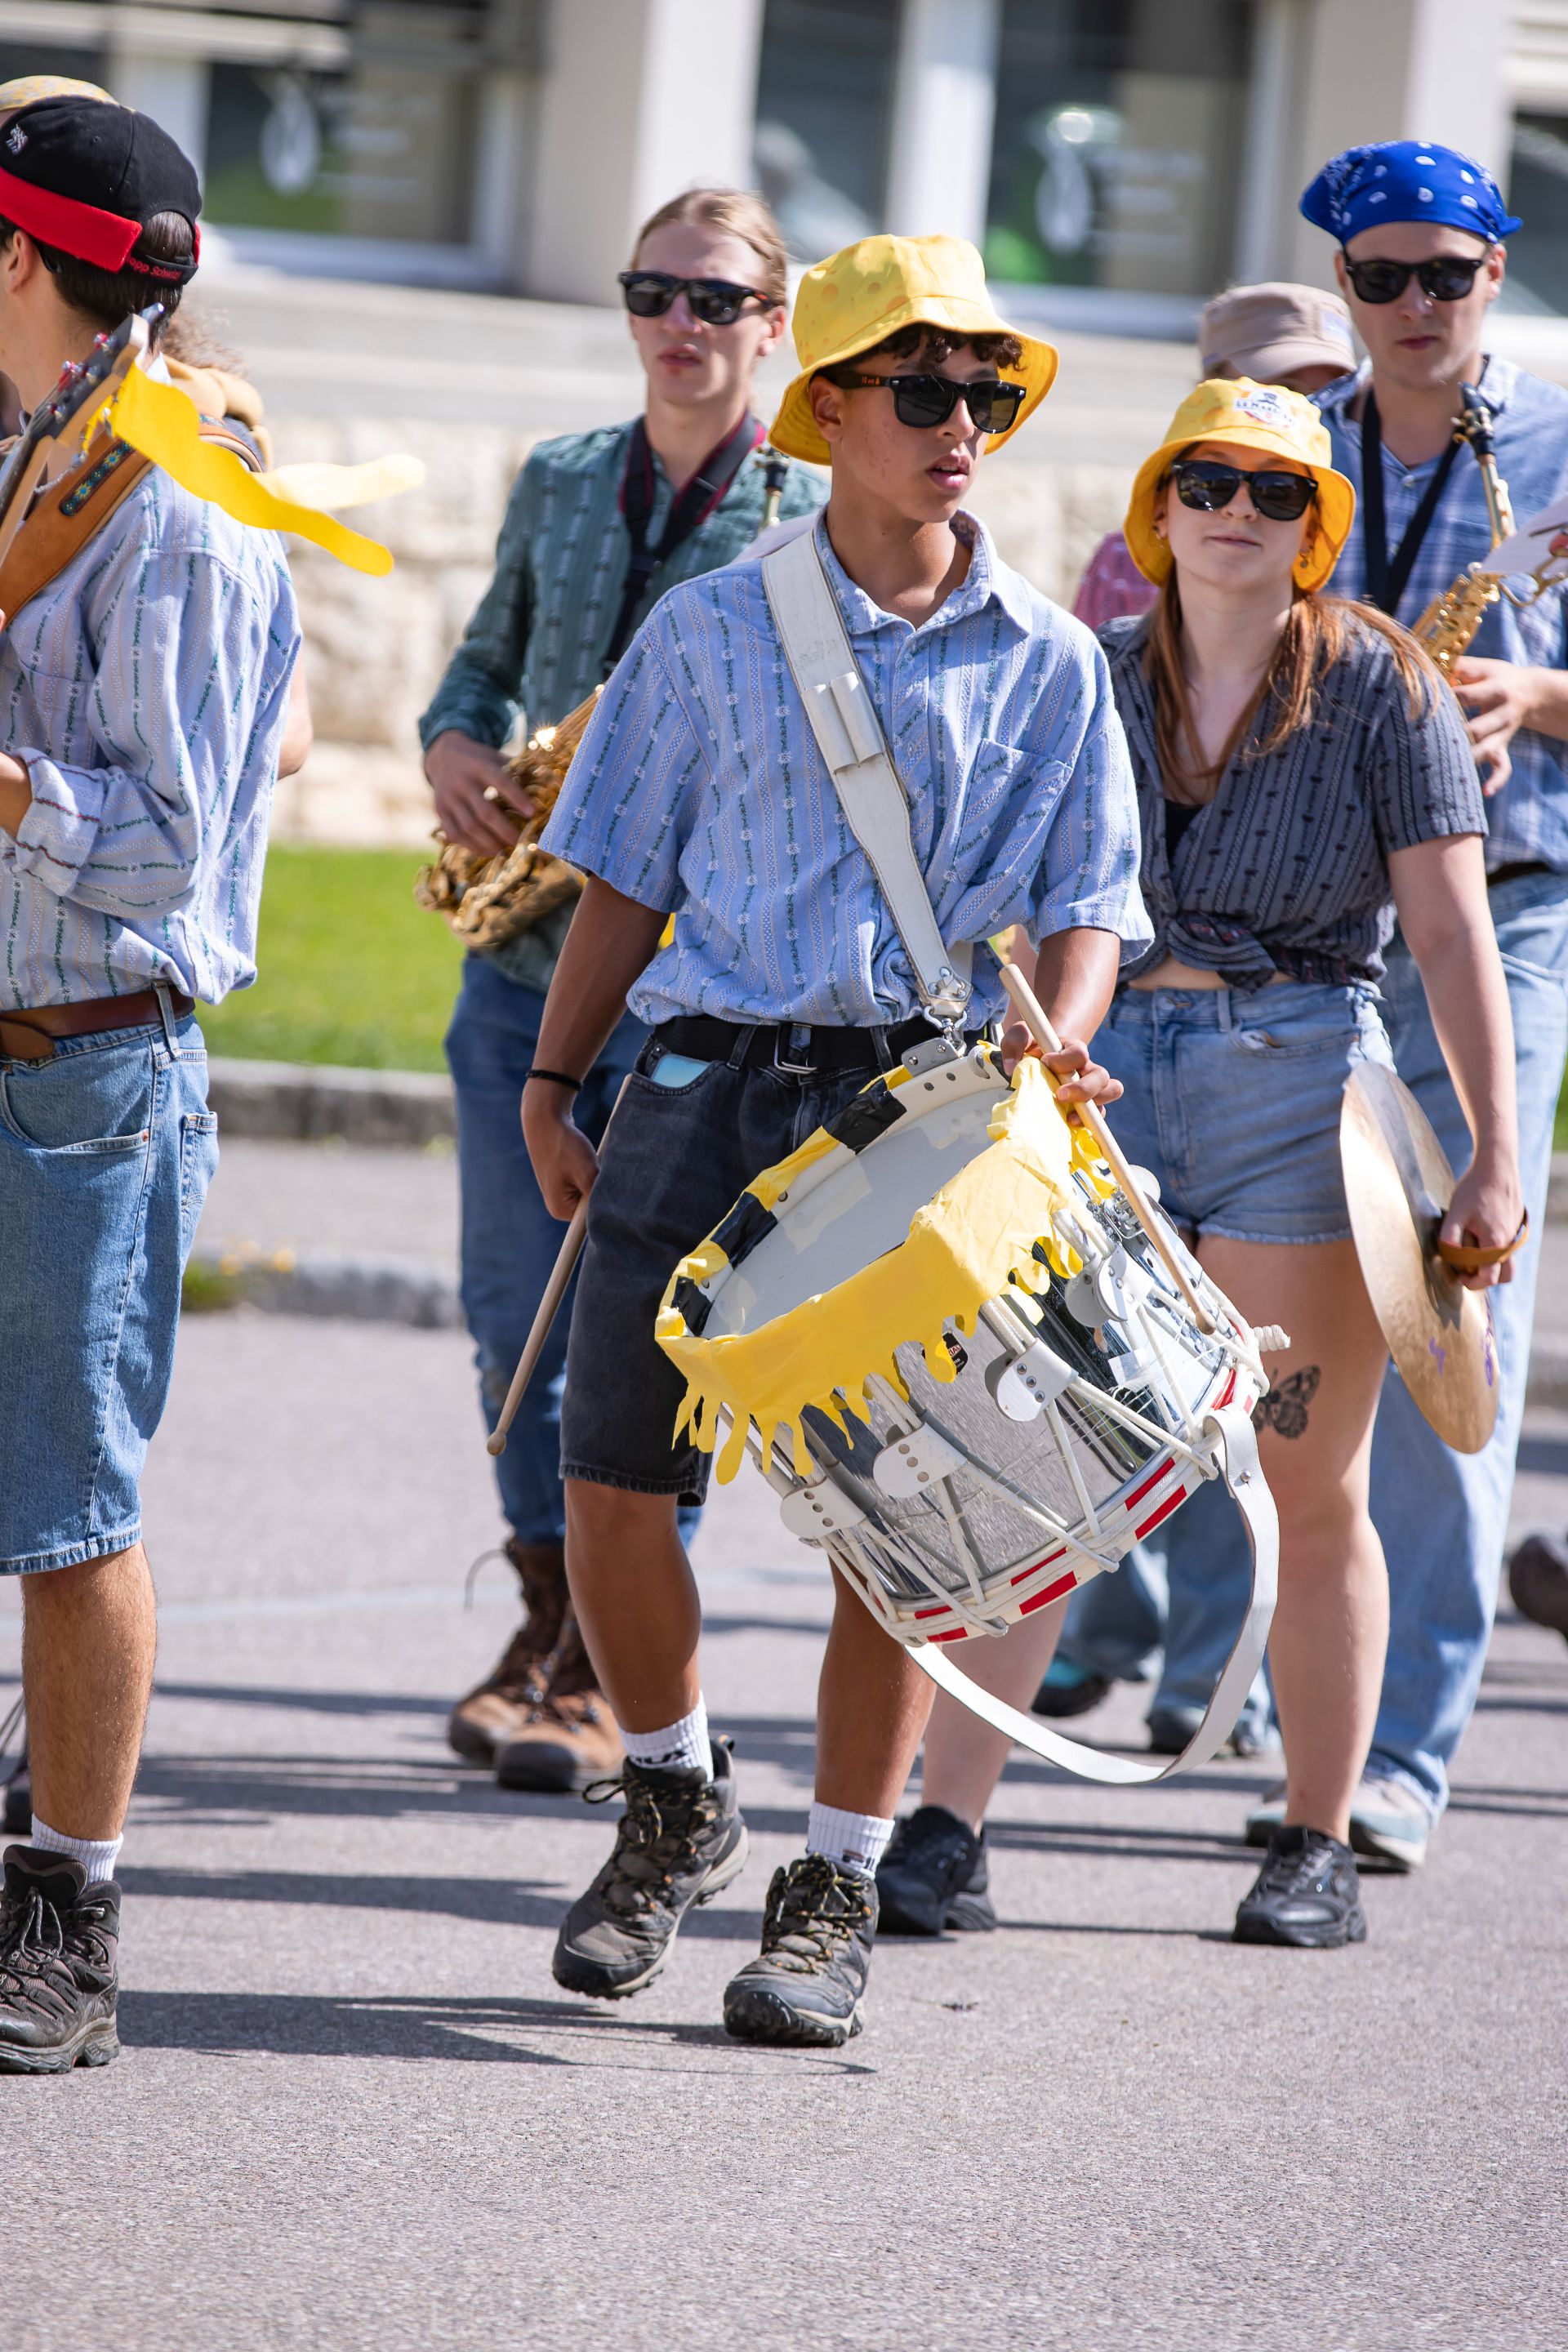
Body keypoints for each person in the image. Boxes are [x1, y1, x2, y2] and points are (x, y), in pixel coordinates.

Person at [523, 232, 1149, 2045]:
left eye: (989, 397)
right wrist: (554, 1084)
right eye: (926, 390)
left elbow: (1091, 902)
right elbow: (622, 879)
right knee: (610, 1484)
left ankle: (837, 1885)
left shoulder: (1050, 657)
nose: (964, 427)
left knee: (902, 1520)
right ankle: (673, 1795)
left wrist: (1064, 1042)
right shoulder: (709, 628)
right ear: (833, 409)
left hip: (918, 1107)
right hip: (698, 1084)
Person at [880, 376, 1521, 1953]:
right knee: (1046, 1472)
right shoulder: (1089, 671)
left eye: (1279, 491)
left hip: (1296, 1089)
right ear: (1159, 509)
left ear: (1316, 530)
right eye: (1210, 482)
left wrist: (1500, 1154)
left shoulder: (1382, 686)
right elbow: (1013, 901)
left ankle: (1316, 1839)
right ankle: (947, 1830)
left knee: (1305, 1485)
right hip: (1102, 1095)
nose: (1241, 510)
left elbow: (1452, 933)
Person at [1166, 141, 1568, 1877]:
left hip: (1508, 912)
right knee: (1244, 1335)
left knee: (1450, 1319)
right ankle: (1238, 1675)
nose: (1416, 307)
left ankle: (1402, 1757)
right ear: (1342, 287)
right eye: (1382, 278)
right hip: (1308, 942)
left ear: (1497, 274)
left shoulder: (1559, 445)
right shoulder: (1286, 452)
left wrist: (1535, 695)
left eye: (1447, 276)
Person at [418, 190, 822, 1798]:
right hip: (522, 968)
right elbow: (481, 663)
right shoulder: (563, 477)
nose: (680, 323)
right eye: (654, 291)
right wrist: (456, 746)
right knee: (505, 1318)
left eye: (716, 299)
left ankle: (609, 1664)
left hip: (689, 997)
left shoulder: (809, 510)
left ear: (774, 325)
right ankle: (548, 1617)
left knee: (662, 1337)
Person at [0, 95, 301, 2069]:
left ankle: (70, 1911)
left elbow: (176, 852)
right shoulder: (39, 448)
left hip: (86, 1075)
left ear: (24, 259)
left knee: (67, 1519)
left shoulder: (176, 505)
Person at [1070, 282, 1355, 635]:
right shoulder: (1122, 566)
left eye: (1337, 396)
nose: (1311, 412)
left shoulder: (1370, 518)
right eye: (1284, 390)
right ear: (1208, 386)